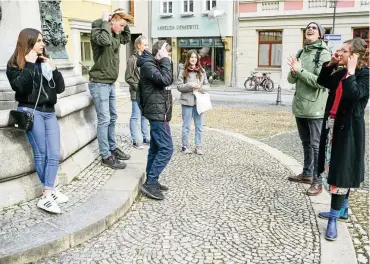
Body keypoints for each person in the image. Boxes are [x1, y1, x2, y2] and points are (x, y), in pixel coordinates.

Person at [6, 28, 67, 214]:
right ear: (29, 42)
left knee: (54, 153)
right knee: (41, 153)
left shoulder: (44, 62)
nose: (43, 44)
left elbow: (60, 89)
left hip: (49, 112)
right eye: (39, 41)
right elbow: (20, 88)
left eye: (43, 41)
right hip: (31, 112)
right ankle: (48, 194)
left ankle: (48, 192)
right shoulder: (15, 64)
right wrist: (30, 65)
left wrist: (55, 70)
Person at [315, 38, 369, 241]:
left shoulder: (364, 75)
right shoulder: (342, 73)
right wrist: (331, 64)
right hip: (333, 126)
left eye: (344, 51)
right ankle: (343, 209)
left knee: (341, 172)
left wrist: (353, 72)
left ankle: (333, 219)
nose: (340, 52)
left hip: (349, 131)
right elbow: (323, 81)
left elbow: (354, 94)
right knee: (335, 167)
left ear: (355, 56)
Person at [287, 22, 331, 196]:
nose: (310, 29)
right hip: (300, 106)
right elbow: (291, 80)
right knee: (306, 142)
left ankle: (317, 181)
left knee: (316, 145)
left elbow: (321, 82)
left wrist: (300, 70)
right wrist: (293, 71)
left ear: (320, 34)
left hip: (316, 107)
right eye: (308, 27)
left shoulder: (324, 53)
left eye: (314, 27)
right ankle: (306, 173)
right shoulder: (300, 52)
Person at [88, 9, 133, 169]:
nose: (121, 29)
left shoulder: (116, 33)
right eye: (120, 25)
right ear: (111, 21)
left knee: (113, 117)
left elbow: (127, 38)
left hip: (109, 82)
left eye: (123, 26)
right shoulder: (99, 29)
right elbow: (105, 41)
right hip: (99, 82)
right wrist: (105, 21)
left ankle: (112, 148)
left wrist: (124, 23)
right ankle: (106, 155)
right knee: (104, 119)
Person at [137, 40, 173, 200]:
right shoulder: (148, 65)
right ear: (159, 51)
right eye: (167, 52)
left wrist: (165, 60)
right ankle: (150, 183)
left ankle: (152, 179)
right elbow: (165, 80)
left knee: (156, 148)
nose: (168, 56)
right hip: (157, 112)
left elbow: (169, 78)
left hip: (159, 111)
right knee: (167, 148)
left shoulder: (153, 63)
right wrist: (165, 60)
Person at [177, 49, 210, 154]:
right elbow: (179, 86)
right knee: (186, 126)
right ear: (188, 58)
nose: (193, 59)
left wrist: (200, 87)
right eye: (191, 57)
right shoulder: (183, 70)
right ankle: (185, 146)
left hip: (199, 102)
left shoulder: (202, 70)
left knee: (199, 126)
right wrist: (189, 85)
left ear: (197, 59)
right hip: (187, 102)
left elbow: (207, 85)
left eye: (195, 57)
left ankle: (198, 147)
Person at [125, 36, 150, 149]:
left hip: (146, 93)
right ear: (139, 45)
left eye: (148, 45)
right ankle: (136, 140)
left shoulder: (147, 58)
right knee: (135, 116)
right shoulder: (132, 60)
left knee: (145, 116)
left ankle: (146, 138)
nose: (147, 47)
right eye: (145, 45)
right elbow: (128, 78)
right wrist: (139, 88)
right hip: (136, 93)